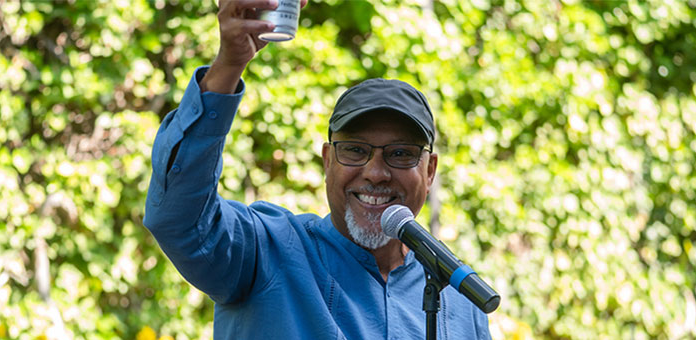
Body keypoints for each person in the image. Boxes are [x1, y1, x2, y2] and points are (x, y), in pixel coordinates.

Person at [142, 0, 492, 338]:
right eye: (355, 150)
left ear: (429, 171)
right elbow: (179, 220)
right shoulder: (267, 252)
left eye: (399, 154)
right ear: (328, 161)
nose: (375, 172)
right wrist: (228, 67)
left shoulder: (459, 297)